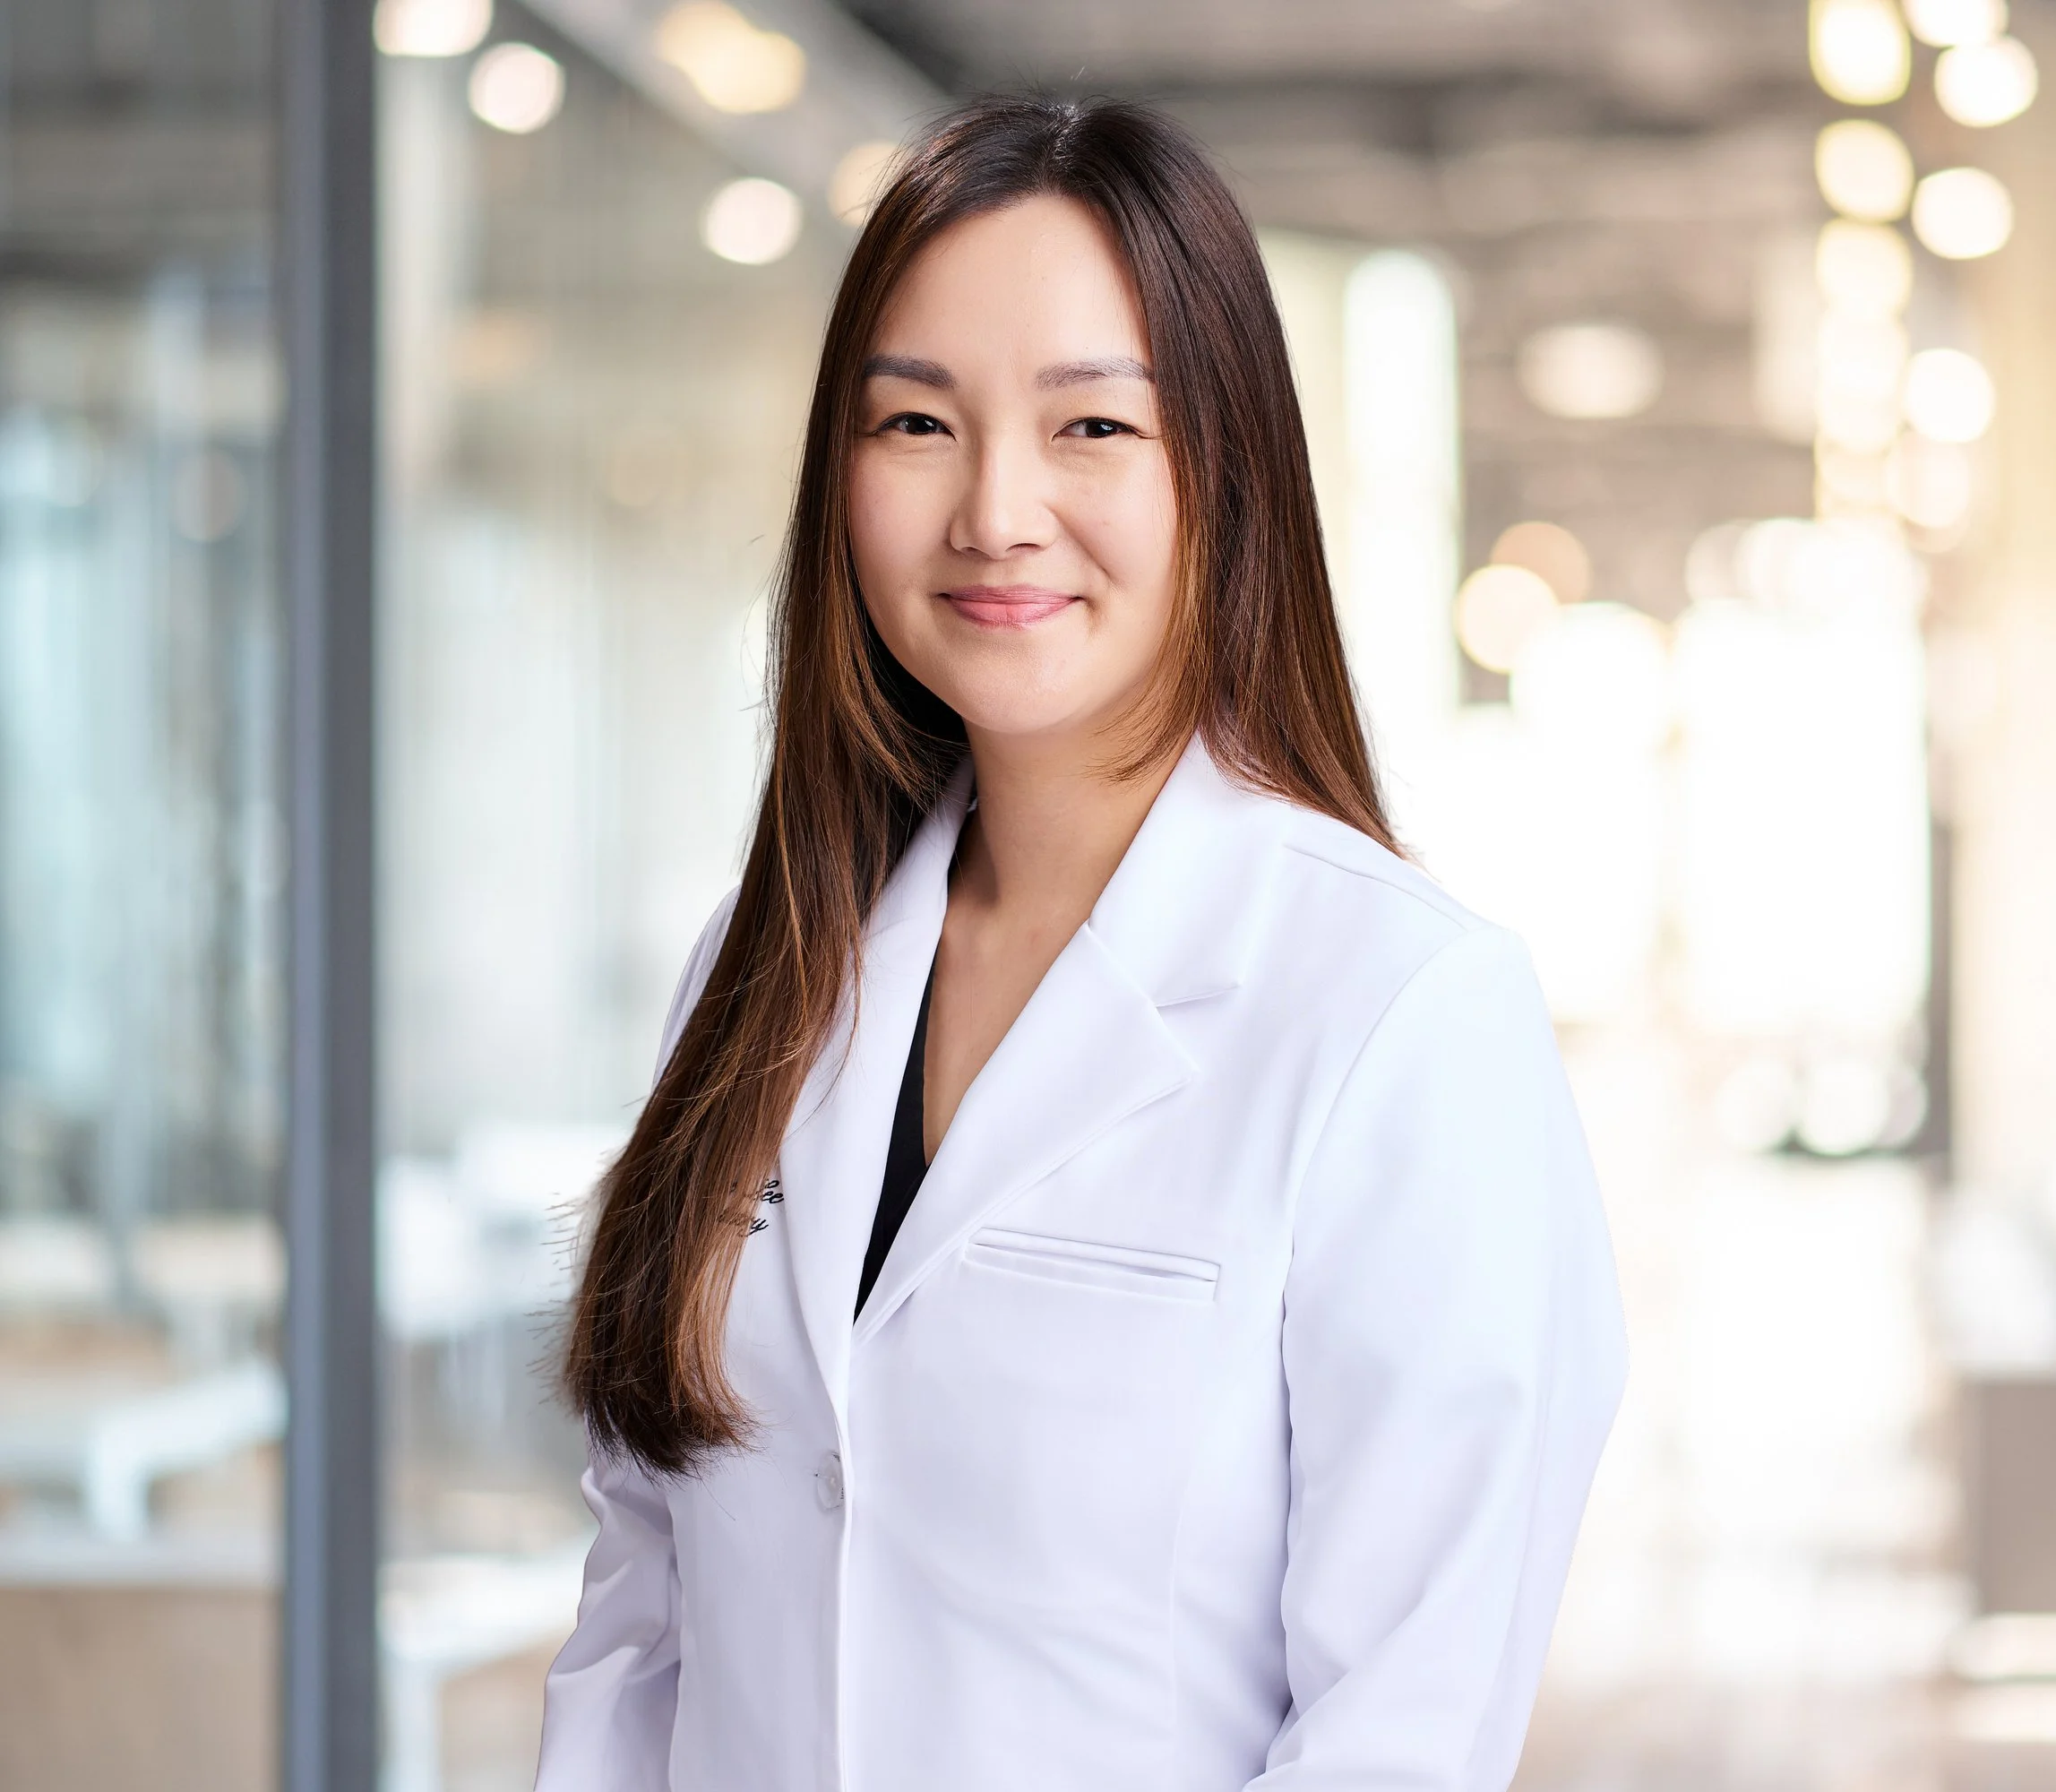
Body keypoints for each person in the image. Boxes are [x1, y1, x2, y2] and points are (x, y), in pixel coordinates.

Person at [537, 92, 1625, 1792]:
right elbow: (641, 1625)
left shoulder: (1401, 1011)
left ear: (1228, 467)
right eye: (915, 423)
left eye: (1093, 428)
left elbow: (1400, 1730)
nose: (995, 512)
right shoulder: (759, 972)